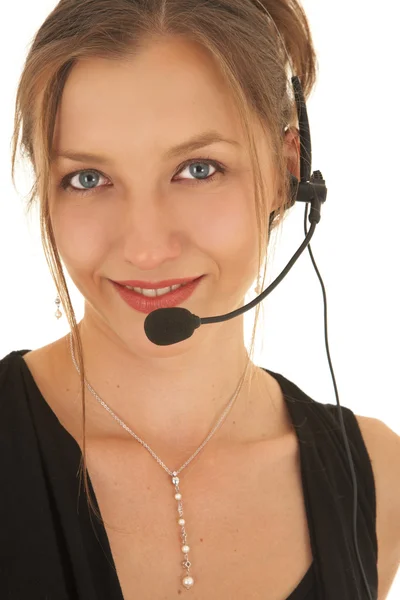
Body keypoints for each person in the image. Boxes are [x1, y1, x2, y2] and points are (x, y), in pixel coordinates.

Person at [1, 1, 399, 599]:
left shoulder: (380, 477)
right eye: (89, 178)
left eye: (198, 169)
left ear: (288, 169)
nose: (146, 247)